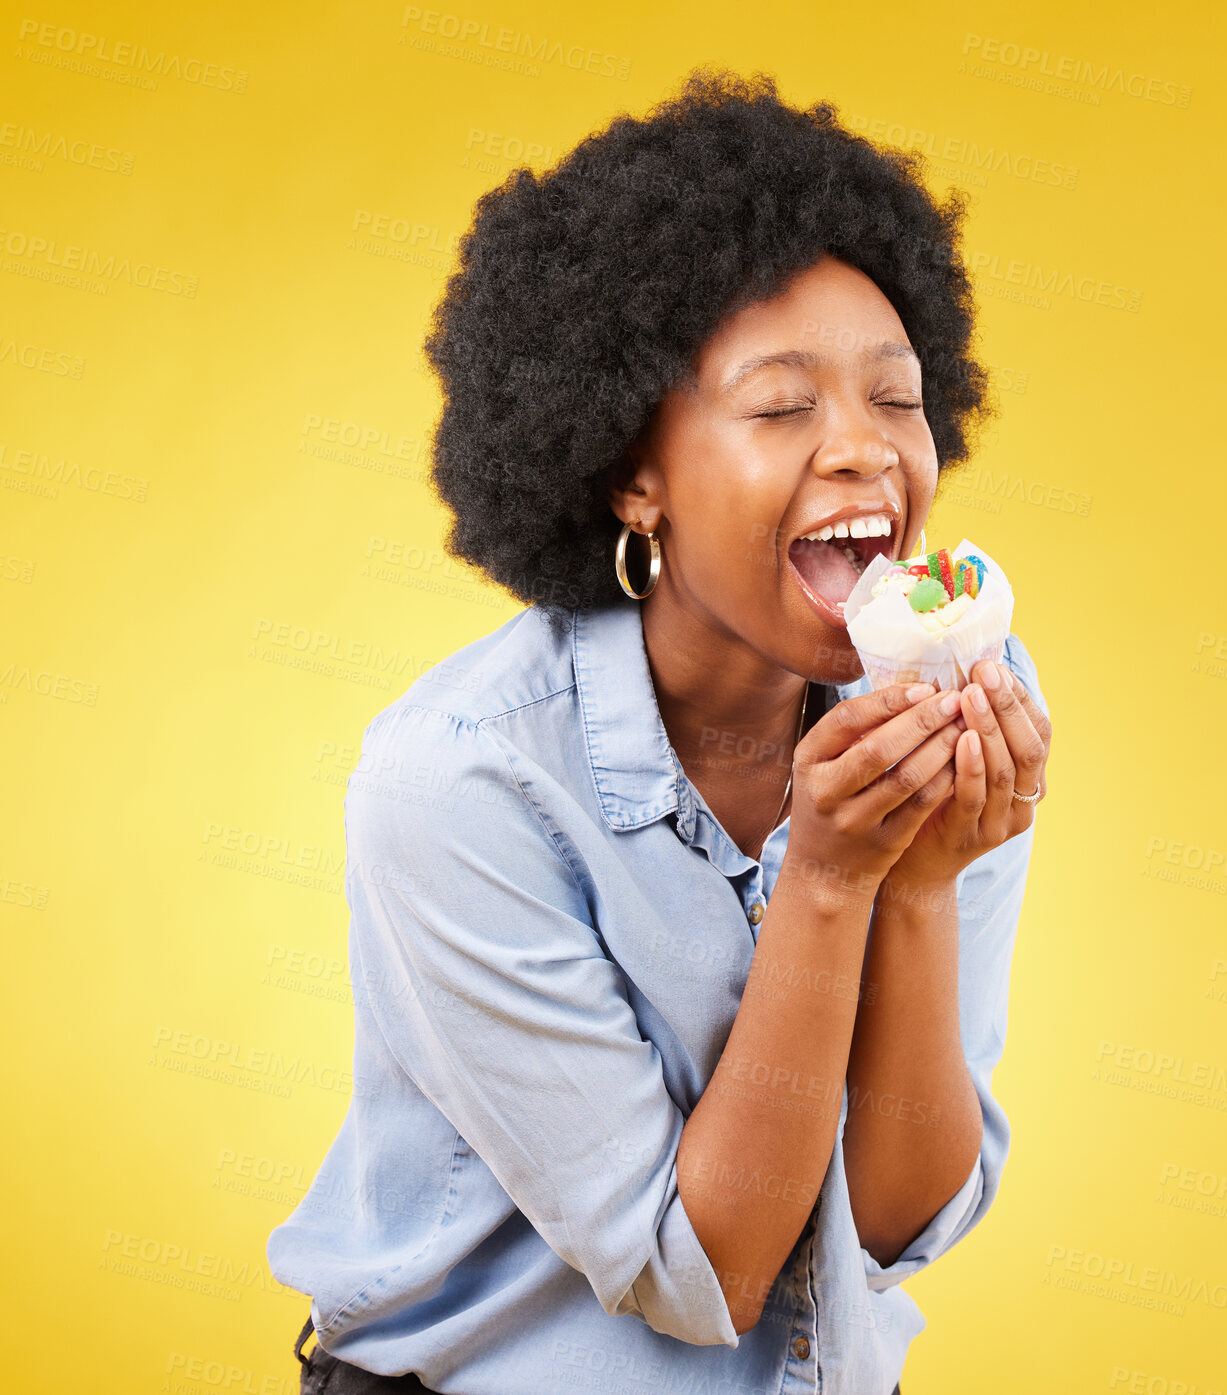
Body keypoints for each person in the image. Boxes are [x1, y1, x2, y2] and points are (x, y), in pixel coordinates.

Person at [268, 66, 1053, 1395]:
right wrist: (829, 876)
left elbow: (898, 1228)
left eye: (896, 397)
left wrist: (918, 888)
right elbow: (704, 1277)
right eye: (783, 405)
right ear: (637, 474)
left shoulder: (955, 693)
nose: (868, 452)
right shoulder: (463, 781)